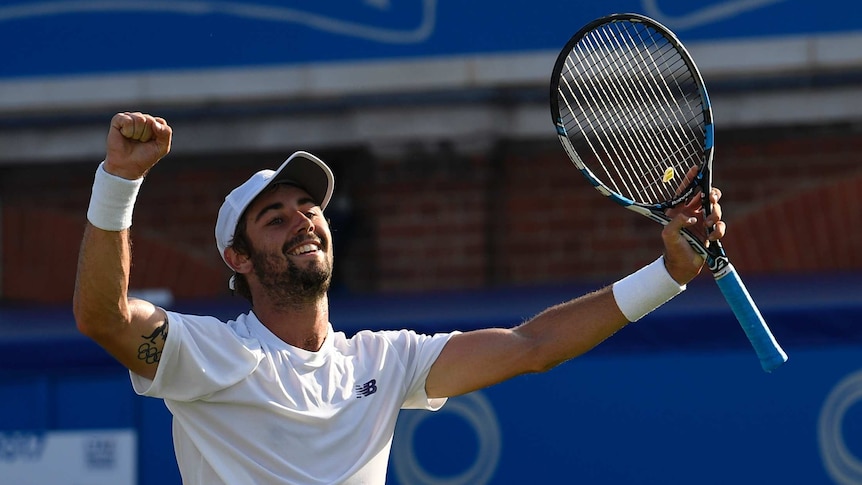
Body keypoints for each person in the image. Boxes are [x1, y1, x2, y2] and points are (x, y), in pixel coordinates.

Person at [74, 112, 726, 484]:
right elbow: (102, 316)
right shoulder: (207, 352)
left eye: (308, 205)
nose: (303, 219)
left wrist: (666, 273)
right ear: (239, 260)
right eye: (275, 217)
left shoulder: (383, 361)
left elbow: (532, 346)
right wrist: (118, 181)